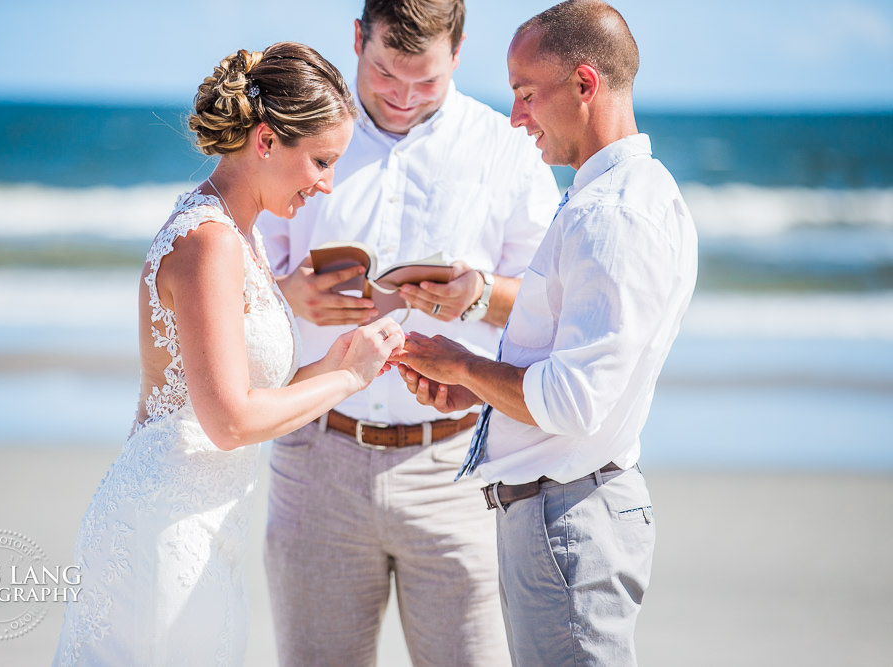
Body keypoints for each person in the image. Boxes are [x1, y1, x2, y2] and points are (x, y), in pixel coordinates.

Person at [52, 42, 405, 666]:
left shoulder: (240, 236)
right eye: (321, 161)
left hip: (210, 525)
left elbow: (243, 392)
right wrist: (347, 378)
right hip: (165, 528)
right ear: (266, 140)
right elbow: (229, 420)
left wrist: (335, 363)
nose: (327, 185)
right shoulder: (209, 243)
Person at [396, 1, 698, 665]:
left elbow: (572, 400)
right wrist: (476, 393)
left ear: (585, 84)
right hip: (571, 510)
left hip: (566, 522)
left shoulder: (610, 215)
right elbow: (581, 377)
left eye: (527, 94)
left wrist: (466, 365)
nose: (516, 118)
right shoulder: (636, 192)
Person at [257, 1, 559, 665]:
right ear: (359, 39)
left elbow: (551, 308)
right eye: (387, 74)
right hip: (316, 459)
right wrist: (288, 293)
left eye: (426, 81)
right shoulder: (297, 139)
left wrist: (478, 295)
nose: (402, 97)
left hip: (455, 469)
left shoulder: (506, 147)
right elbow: (236, 279)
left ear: (458, 52)